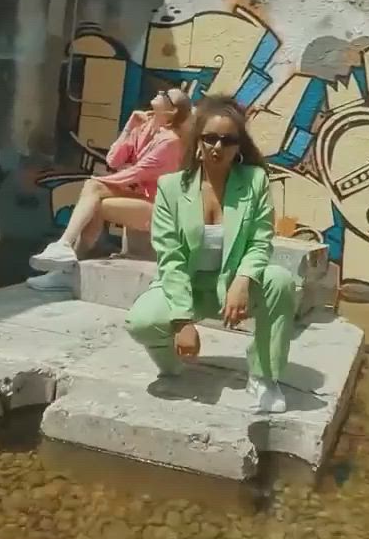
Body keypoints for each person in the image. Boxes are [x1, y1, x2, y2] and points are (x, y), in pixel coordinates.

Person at [123, 96, 298, 414]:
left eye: (228, 140)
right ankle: (172, 361)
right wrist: (182, 320)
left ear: (239, 145)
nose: (218, 147)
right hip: (186, 285)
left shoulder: (255, 181)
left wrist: (243, 280)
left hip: (232, 287)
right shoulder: (171, 188)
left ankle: (264, 375)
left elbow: (260, 241)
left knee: (280, 281)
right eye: (210, 138)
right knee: (141, 322)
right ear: (197, 142)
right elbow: (171, 258)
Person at [29, 88, 191, 291]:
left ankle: (65, 256)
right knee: (95, 200)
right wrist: (130, 125)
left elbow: (138, 172)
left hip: (160, 208)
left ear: (172, 111)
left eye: (166, 95)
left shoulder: (171, 142)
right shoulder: (145, 127)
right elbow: (113, 160)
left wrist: (100, 183)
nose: (160, 93)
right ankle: (66, 261)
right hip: (141, 198)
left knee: (94, 191)